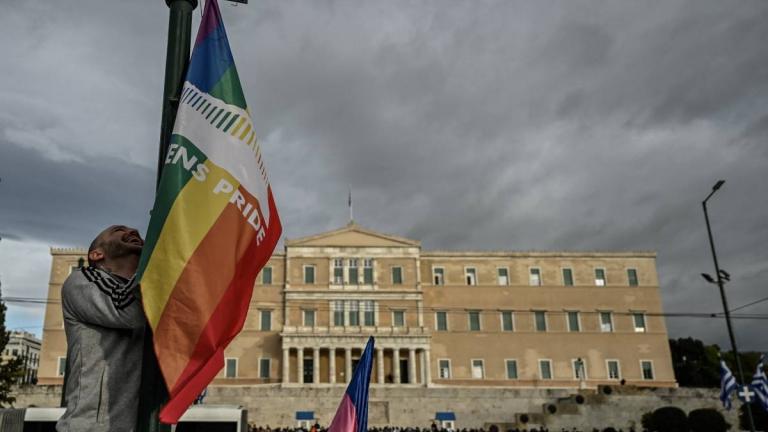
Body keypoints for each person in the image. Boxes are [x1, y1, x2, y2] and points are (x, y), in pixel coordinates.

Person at [56, 225, 147, 432]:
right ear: (97, 254)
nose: (133, 231)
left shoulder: (148, 289)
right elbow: (129, 312)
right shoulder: (82, 279)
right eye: (118, 230)